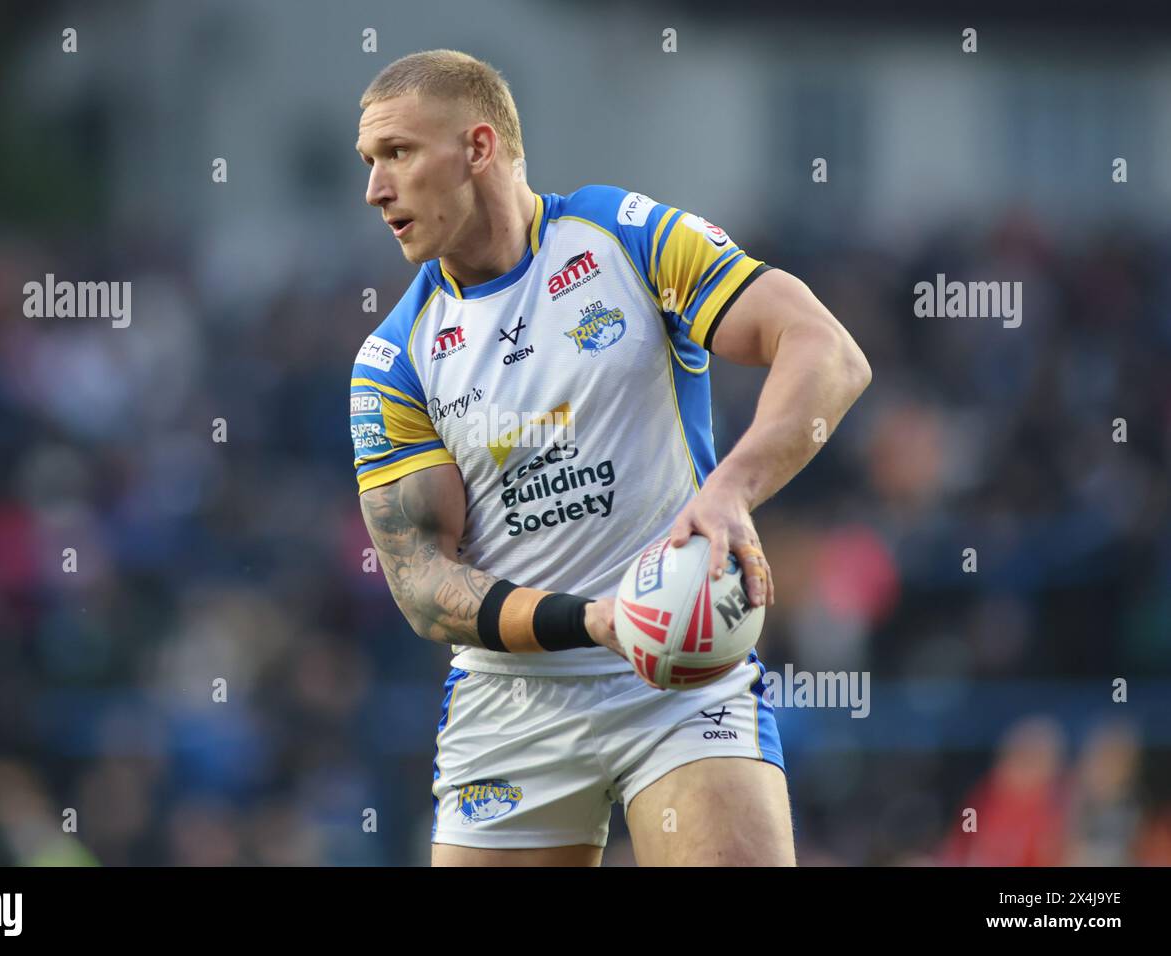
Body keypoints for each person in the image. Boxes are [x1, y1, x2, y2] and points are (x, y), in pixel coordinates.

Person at [349, 49, 870, 866]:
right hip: (510, 702)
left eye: (399, 154)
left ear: (478, 148)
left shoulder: (624, 237)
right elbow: (421, 584)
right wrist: (589, 620)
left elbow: (828, 352)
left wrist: (731, 490)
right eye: (370, 163)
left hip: (681, 678)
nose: (377, 189)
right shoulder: (394, 360)